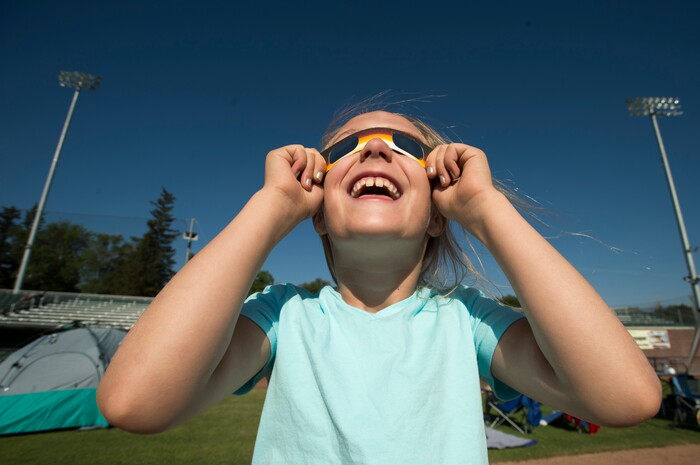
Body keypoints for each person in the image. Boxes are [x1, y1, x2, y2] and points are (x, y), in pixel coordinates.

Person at [97, 108, 661, 464]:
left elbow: (627, 398)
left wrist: (487, 210)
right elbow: (134, 403)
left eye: (405, 147)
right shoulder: (281, 316)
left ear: (439, 209)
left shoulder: (466, 321)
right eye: (345, 148)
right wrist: (269, 208)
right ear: (317, 211)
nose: (373, 149)